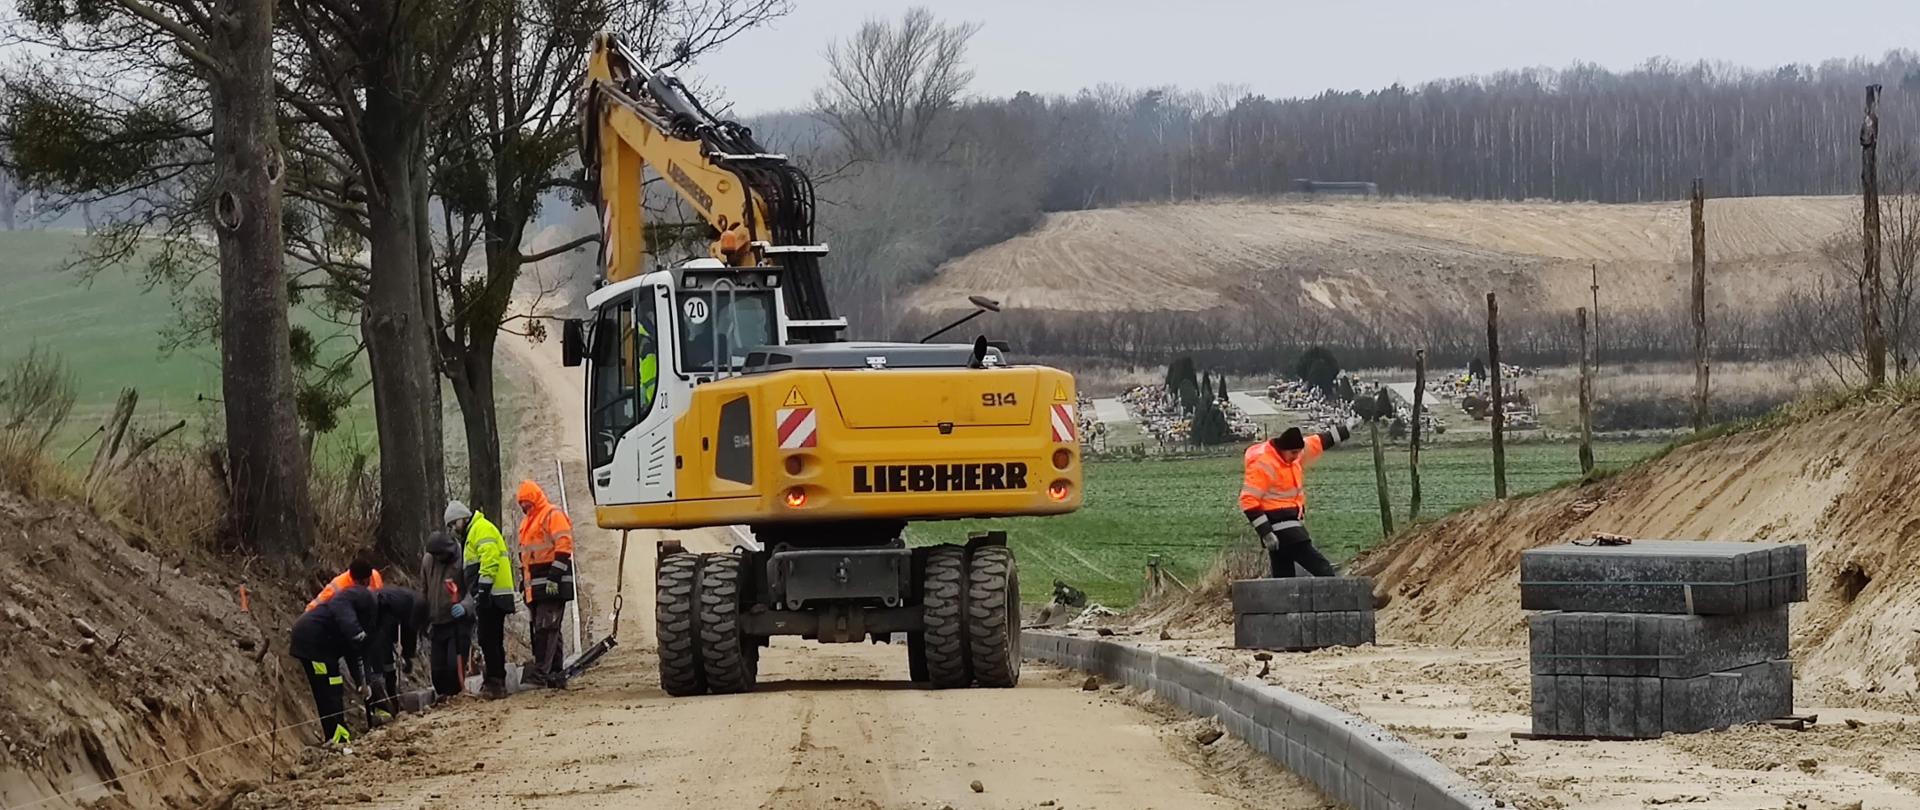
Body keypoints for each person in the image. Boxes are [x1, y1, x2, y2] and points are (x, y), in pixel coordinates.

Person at [1240, 420, 1355, 578]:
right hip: (1282, 528)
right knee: (1322, 569)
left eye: (1298, 453)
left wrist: (1345, 430)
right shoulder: (1264, 464)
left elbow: (1320, 441)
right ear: (1282, 449)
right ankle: (1352, 599)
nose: (1296, 457)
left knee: (1284, 578)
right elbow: (1248, 500)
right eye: (1293, 453)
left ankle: (1284, 602)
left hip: (1284, 528)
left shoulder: (1293, 453)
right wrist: (1265, 532)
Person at [289, 583, 377, 746]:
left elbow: (353, 653)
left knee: (333, 686)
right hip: (313, 647)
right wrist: (362, 681)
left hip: (320, 648)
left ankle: (337, 734)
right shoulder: (347, 617)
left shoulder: (348, 615)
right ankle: (336, 737)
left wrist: (362, 682)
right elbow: (354, 649)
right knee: (328, 689)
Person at [446, 500, 515, 699]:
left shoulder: (480, 529)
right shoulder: (475, 532)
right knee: (491, 639)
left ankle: (495, 682)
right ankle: (495, 680)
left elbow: (489, 560)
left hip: (492, 595)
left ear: (461, 519)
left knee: (488, 639)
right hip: (491, 594)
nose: (453, 529)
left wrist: (483, 590)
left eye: (453, 524)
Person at [514, 480, 575, 688]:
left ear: (535, 499)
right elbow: (527, 559)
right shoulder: (528, 523)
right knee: (549, 629)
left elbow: (564, 546)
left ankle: (541, 673)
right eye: (522, 504)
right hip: (538, 587)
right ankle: (555, 674)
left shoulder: (551, 515)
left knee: (546, 628)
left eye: (527, 503)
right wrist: (526, 586)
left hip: (552, 584)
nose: (524, 508)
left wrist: (554, 577)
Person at [420, 529, 474, 698]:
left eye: (440, 555)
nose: (437, 559)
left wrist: (465, 606)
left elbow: (473, 589)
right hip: (436, 623)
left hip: (457, 624)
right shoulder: (428, 560)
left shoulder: (463, 558)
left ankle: (456, 696)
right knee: (438, 670)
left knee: (453, 667)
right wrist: (423, 615)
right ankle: (443, 698)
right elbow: (424, 589)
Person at [364, 587, 423, 725]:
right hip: (379, 619)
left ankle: (392, 703)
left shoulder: (406, 604)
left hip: (383, 614)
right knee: (379, 661)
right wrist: (408, 656)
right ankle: (384, 708)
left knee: (387, 663)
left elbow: (407, 632)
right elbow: (409, 632)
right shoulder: (408, 607)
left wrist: (407, 655)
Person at [305, 554, 384, 612]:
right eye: (363, 583)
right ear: (356, 581)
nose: (367, 584)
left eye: (368, 580)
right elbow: (316, 604)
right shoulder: (339, 585)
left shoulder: (375, 576)